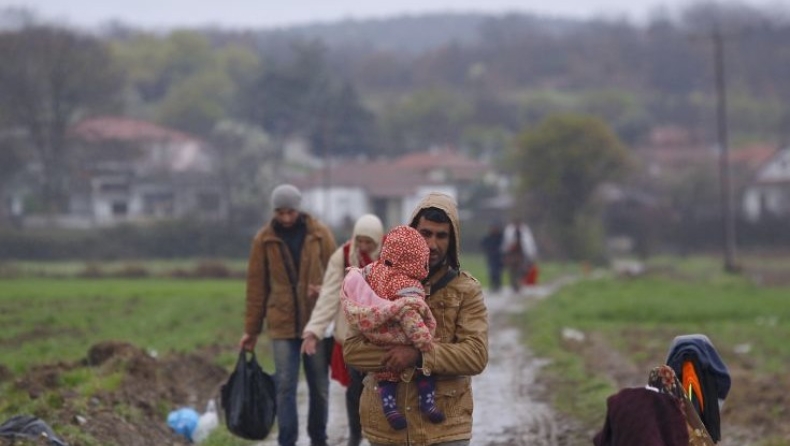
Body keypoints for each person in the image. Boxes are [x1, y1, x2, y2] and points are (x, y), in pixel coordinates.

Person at [344, 192, 489, 446]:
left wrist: (419, 355)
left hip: (445, 428)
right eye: (425, 233)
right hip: (387, 428)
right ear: (412, 234)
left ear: (452, 240)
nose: (432, 244)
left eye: (441, 236)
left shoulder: (466, 289)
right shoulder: (376, 282)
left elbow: (475, 355)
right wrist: (393, 356)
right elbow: (353, 351)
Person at [240, 183, 337, 446]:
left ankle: (319, 439)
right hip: (281, 324)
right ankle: (287, 440)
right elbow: (257, 287)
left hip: (315, 323)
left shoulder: (320, 235)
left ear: (298, 209)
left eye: (290, 212)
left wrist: (324, 291)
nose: (285, 218)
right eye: (280, 212)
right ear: (275, 211)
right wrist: (251, 330)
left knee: (319, 387)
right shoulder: (263, 240)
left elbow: (339, 274)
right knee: (284, 387)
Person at [342, 225, 444, 432]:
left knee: (386, 376)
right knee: (424, 372)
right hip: (400, 334)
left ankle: (389, 407)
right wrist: (424, 343)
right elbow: (409, 316)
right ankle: (428, 402)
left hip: (376, 334)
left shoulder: (372, 271)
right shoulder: (408, 284)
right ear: (416, 260)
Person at [300, 214, 384, 446]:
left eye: (370, 242)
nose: (364, 247)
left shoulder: (390, 255)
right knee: (354, 389)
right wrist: (314, 330)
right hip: (352, 335)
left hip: (383, 336)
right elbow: (328, 294)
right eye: (361, 242)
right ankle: (355, 435)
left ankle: (382, 436)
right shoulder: (344, 255)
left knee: (384, 389)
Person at [500, 218, 538, 293]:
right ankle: (514, 285)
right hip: (512, 254)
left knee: (521, 270)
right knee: (512, 271)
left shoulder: (524, 231)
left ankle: (518, 283)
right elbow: (506, 243)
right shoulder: (509, 231)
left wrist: (531, 254)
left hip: (522, 255)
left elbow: (528, 243)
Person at [479, 221, 504, 293]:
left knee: (498, 272)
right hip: (491, 257)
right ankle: (493, 285)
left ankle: (498, 285)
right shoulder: (488, 237)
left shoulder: (500, 236)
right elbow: (483, 244)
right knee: (492, 271)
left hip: (499, 257)